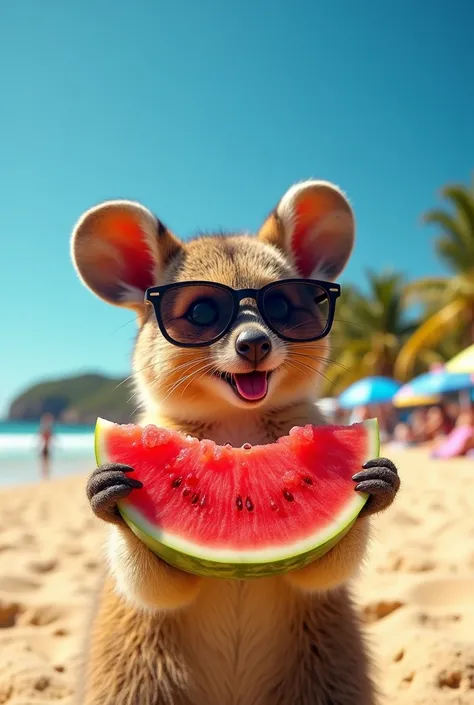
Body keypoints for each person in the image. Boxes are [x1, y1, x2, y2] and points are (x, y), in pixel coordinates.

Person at [38, 413, 54, 479]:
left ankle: (45, 475)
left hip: (44, 447)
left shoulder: (45, 429)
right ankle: (46, 475)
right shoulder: (48, 430)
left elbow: (41, 439)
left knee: (45, 462)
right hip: (46, 447)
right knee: (46, 462)